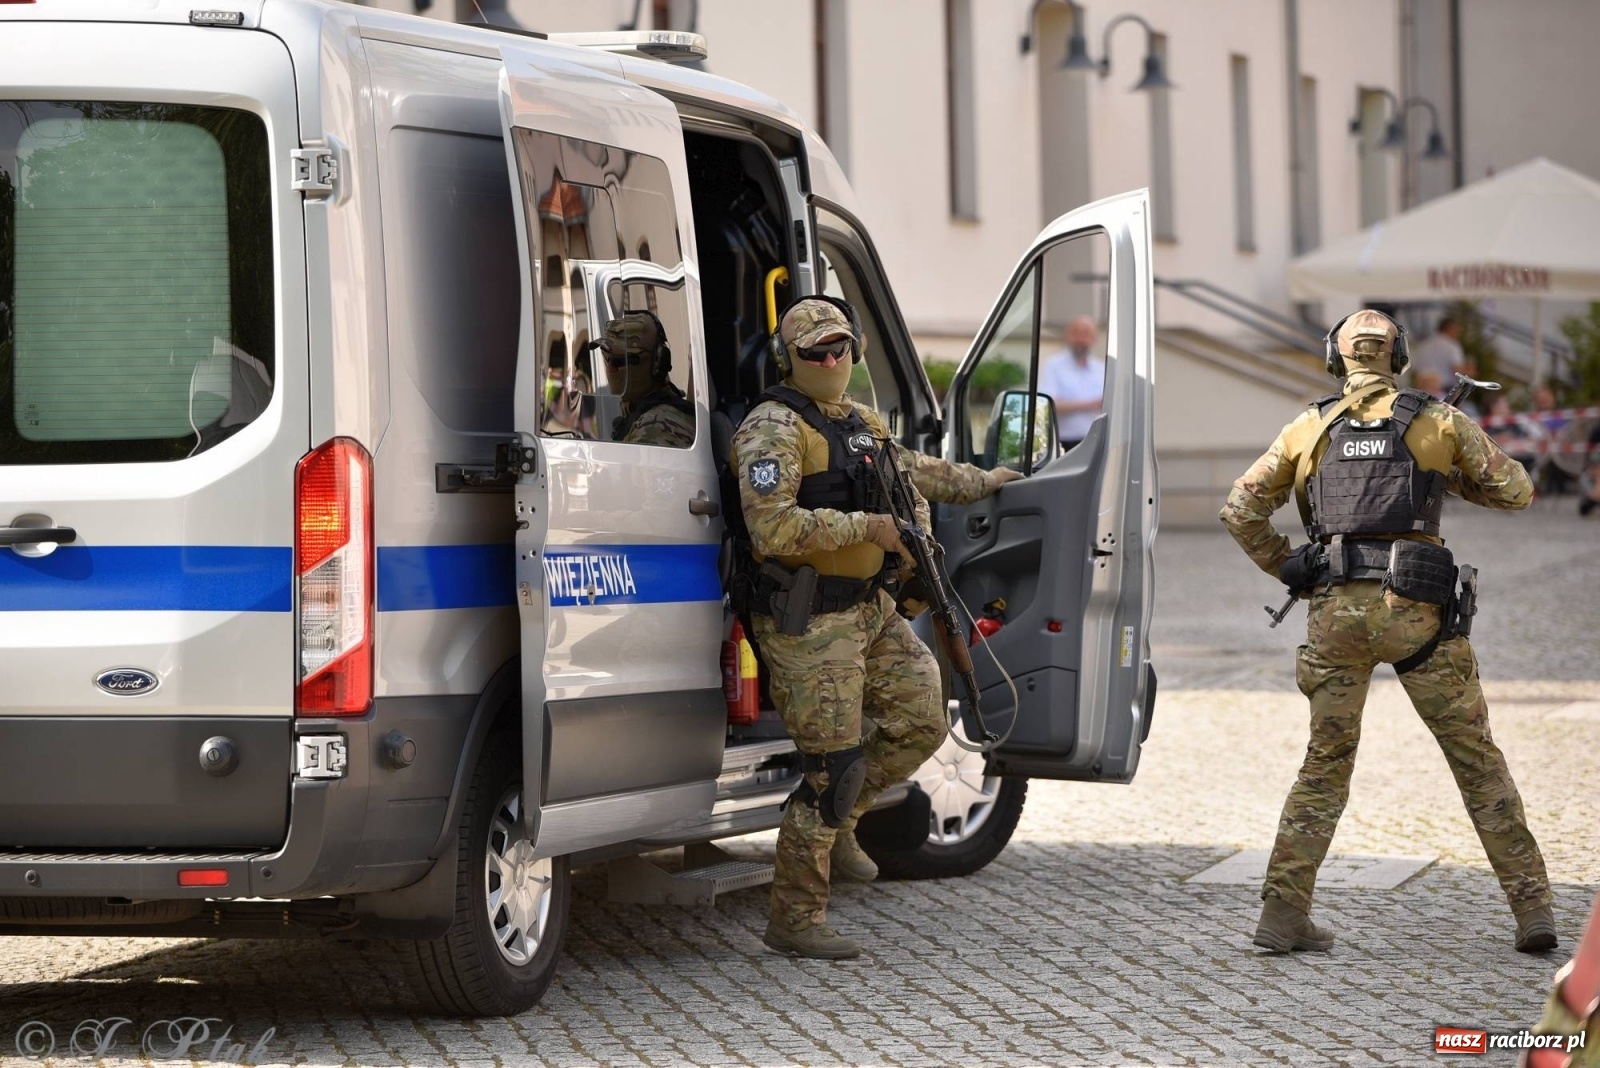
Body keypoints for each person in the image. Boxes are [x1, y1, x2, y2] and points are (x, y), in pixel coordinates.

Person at [1219, 308, 1556, 955]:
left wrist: (1286, 562)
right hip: (1418, 613)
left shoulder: (1308, 427)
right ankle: (1532, 909)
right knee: (1476, 762)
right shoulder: (1436, 420)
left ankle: (1283, 915)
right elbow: (1517, 490)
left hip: (1334, 616)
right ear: (1397, 357)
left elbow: (1240, 510)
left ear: (1334, 358)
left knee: (1324, 766)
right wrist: (1449, 472)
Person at [730, 297, 1021, 961]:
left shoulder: (858, 423)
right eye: (815, 352)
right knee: (833, 768)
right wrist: (869, 528)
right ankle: (796, 917)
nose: (830, 360)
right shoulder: (770, 429)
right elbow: (771, 528)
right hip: (808, 616)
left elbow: (919, 471)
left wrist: (991, 482)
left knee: (923, 717)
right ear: (792, 359)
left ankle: (847, 822)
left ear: (854, 350)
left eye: (839, 348)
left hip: (868, 608)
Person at [597, 311, 696, 448]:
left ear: (657, 362)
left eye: (619, 361)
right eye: (606, 358)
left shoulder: (657, 427)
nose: (610, 368)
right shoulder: (637, 413)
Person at [1039, 315, 1104, 451]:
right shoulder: (1054, 365)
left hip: (1095, 443)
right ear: (1067, 336)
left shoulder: (1101, 369)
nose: (1080, 339)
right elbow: (1050, 405)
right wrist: (1093, 404)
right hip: (1063, 443)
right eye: (1076, 333)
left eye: (1086, 333)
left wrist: (1068, 404)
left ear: (1094, 338)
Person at [1410, 315, 1465, 384]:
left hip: (1423, 388)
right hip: (1445, 389)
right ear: (1451, 328)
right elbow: (1457, 370)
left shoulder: (1424, 344)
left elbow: (1414, 369)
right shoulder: (1452, 345)